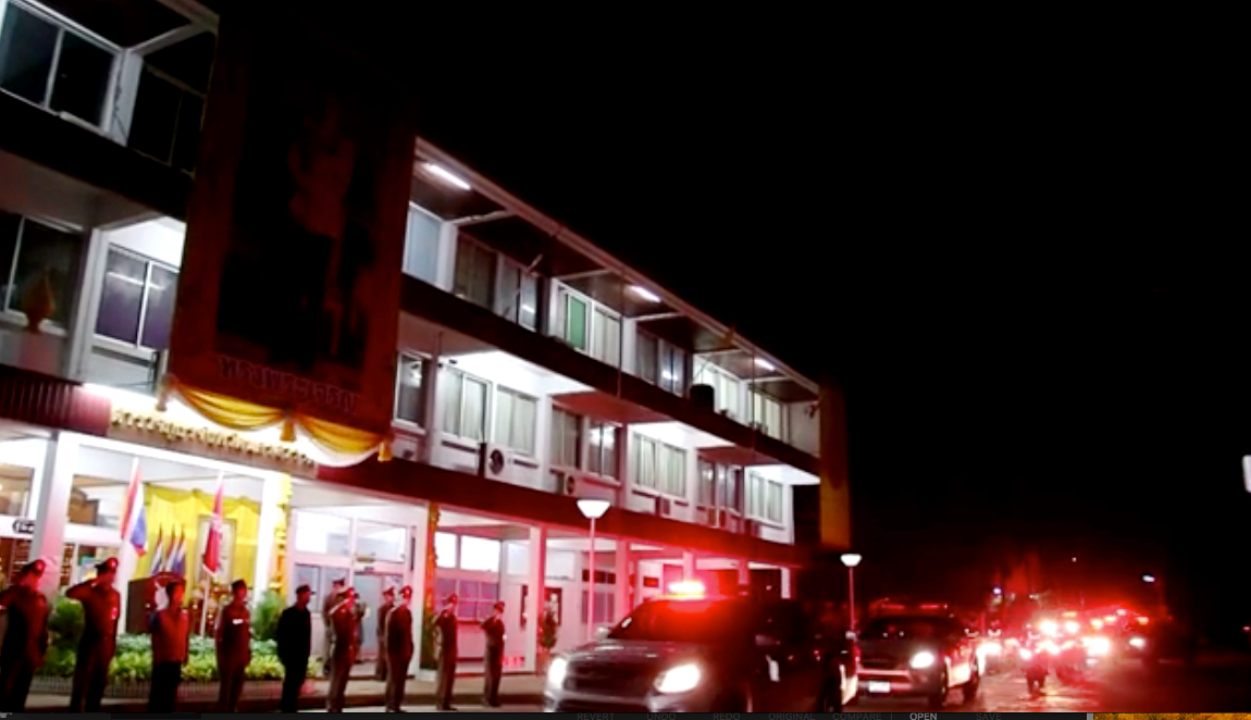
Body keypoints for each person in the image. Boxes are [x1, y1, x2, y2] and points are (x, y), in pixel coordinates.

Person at [67, 557, 121, 712]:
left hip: (106, 644)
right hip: (90, 643)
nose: (111, 576)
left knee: (99, 684)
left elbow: (115, 620)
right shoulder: (90, 591)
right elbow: (71, 593)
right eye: (108, 573)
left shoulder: (115, 595)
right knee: (82, 683)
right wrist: (93, 582)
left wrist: (112, 646)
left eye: (113, 573)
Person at [0, 560, 49, 711]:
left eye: (38, 576)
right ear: (25, 576)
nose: (36, 579)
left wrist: (42, 651)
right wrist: (16, 586)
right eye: (32, 575)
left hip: (31, 653)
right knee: (5, 691)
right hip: (14, 652)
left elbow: (43, 628)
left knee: (21, 693)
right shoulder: (15, 594)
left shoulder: (40, 599)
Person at [149, 575, 190, 713]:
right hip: (163, 662)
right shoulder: (159, 615)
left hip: (176, 661)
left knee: (171, 696)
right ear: (170, 594)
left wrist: (185, 654)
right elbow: (155, 638)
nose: (180, 595)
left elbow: (185, 637)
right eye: (177, 592)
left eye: (181, 592)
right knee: (158, 697)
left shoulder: (184, 616)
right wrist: (157, 658)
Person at [215, 579, 252, 712]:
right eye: (242, 589)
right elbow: (219, 633)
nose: (244, 592)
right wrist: (220, 655)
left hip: (241, 657)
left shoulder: (246, 612)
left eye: (245, 589)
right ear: (235, 592)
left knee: (237, 690)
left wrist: (248, 652)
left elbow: (246, 633)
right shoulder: (227, 611)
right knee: (226, 691)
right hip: (229, 657)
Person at [278, 585, 314, 713]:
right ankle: (286, 708)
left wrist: (307, 654)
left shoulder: (306, 614)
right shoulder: (288, 614)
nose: (309, 598)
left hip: (301, 657)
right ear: (300, 595)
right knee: (289, 685)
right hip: (291, 656)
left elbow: (307, 636)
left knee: (297, 684)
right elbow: (281, 635)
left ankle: (293, 707)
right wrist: (283, 655)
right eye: (307, 595)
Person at [327, 588, 358, 712]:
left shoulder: (348, 612)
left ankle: (338, 705)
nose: (352, 601)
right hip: (340, 650)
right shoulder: (338, 612)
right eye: (350, 598)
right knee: (337, 679)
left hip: (346, 650)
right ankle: (333, 705)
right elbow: (341, 633)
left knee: (342, 681)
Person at [384, 587, 414, 713]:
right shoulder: (393, 613)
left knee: (401, 680)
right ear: (399, 598)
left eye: (408, 598)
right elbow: (388, 637)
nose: (406, 600)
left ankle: (397, 704)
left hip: (404, 652)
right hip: (394, 653)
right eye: (404, 597)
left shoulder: (407, 613)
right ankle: (390, 704)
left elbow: (408, 634)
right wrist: (389, 654)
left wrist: (410, 650)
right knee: (393, 679)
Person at [433, 593, 459, 711]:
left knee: (450, 678)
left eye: (454, 604)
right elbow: (434, 623)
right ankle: (440, 702)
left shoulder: (453, 618)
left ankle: (447, 702)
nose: (453, 607)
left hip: (452, 650)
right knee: (443, 677)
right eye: (451, 604)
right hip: (444, 650)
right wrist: (443, 612)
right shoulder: (442, 618)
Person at [481, 601, 506, 707]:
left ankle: (493, 698)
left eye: (500, 611)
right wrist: (494, 620)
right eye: (497, 610)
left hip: (498, 653)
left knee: (496, 677)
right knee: (490, 677)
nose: (499, 613)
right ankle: (486, 699)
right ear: (494, 611)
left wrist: (502, 654)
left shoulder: (501, 624)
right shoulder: (490, 621)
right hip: (490, 652)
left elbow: (503, 638)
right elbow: (483, 627)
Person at [323, 578, 345, 677]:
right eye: (335, 586)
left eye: (338, 586)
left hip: (340, 628)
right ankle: (326, 667)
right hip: (330, 626)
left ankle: (336, 668)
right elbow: (324, 612)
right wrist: (327, 624)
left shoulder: (343, 598)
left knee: (338, 650)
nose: (336, 588)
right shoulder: (328, 598)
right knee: (327, 648)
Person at [376, 587, 395, 681]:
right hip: (383, 635)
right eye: (387, 597)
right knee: (382, 656)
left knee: (389, 656)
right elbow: (380, 624)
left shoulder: (394, 609)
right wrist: (382, 636)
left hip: (391, 636)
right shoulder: (382, 609)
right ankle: (381, 674)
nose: (389, 599)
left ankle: (388, 674)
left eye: (390, 596)